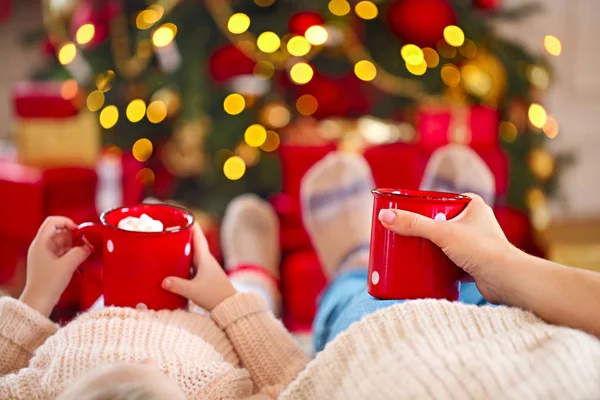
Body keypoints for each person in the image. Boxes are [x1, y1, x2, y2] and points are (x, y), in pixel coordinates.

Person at [0, 151, 599, 399]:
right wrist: (232, 301)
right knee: (391, 306)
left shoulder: (36, 387)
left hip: (408, 339)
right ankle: (386, 260)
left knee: (384, 303)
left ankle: (355, 260)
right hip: (504, 335)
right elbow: (290, 377)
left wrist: (34, 296)